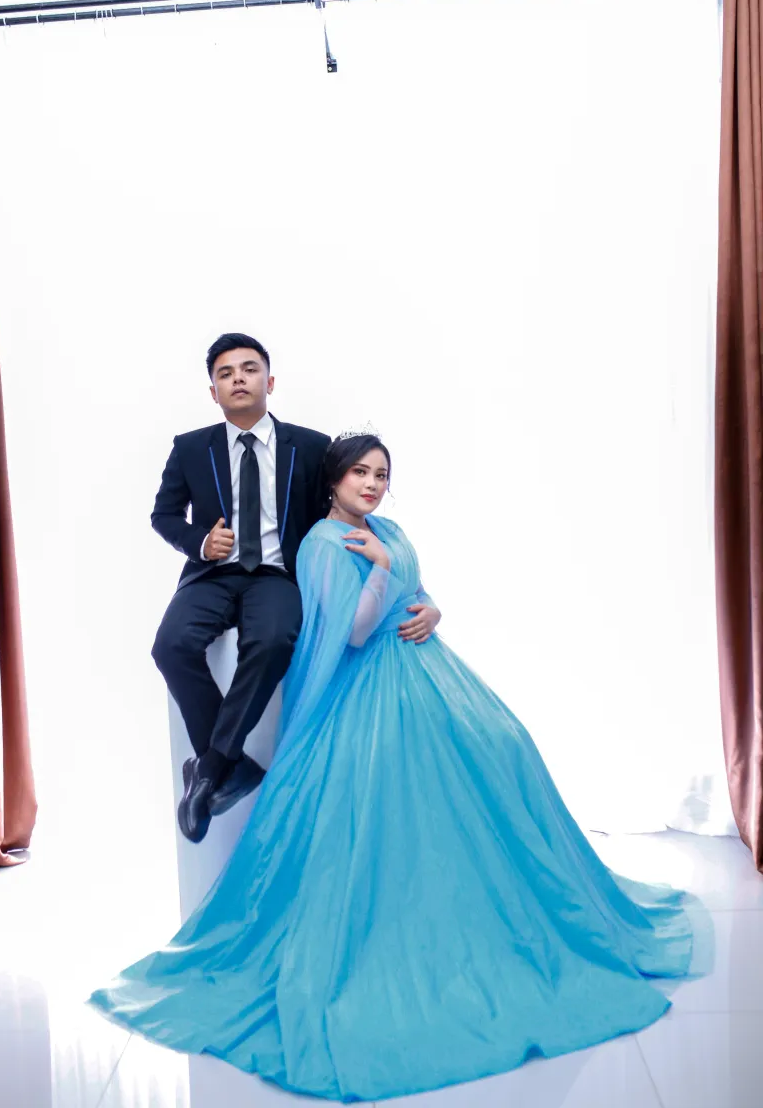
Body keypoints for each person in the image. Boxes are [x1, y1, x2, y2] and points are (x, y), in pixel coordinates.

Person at [92, 433, 706, 1100]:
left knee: (505, 743)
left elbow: (419, 592)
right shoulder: (324, 543)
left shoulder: (388, 529)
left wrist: (432, 606)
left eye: (381, 474)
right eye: (360, 472)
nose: (372, 484)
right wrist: (381, 570)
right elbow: (355, 632)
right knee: (399, 784)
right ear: (334, 480)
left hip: (429, 668)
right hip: (374, 682)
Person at [150, 332, 329, 842]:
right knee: (171, 646)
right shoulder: (190, 448)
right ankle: (230, 763)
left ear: (269, 382)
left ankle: (209, 767)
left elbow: (335, 513)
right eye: (225, 374)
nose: (238, 379)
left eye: (249, 369)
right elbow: (164, 515)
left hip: (276, 574)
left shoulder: (312, 447)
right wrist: (200, 542)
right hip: (213, 573)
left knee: (271, 641)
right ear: (214, 392)